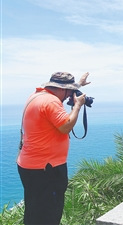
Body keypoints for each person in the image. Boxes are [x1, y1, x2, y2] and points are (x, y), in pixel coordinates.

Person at [17, 71, 91, 225]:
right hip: (46, 168)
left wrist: (79, 84)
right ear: (63, 89)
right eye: (70, 91)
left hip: (30, 165)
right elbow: (65, 126)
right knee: (49, 214)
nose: (69, 96)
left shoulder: (37, 96)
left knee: (34, 211)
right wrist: (77, 106)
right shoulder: (51, 102)